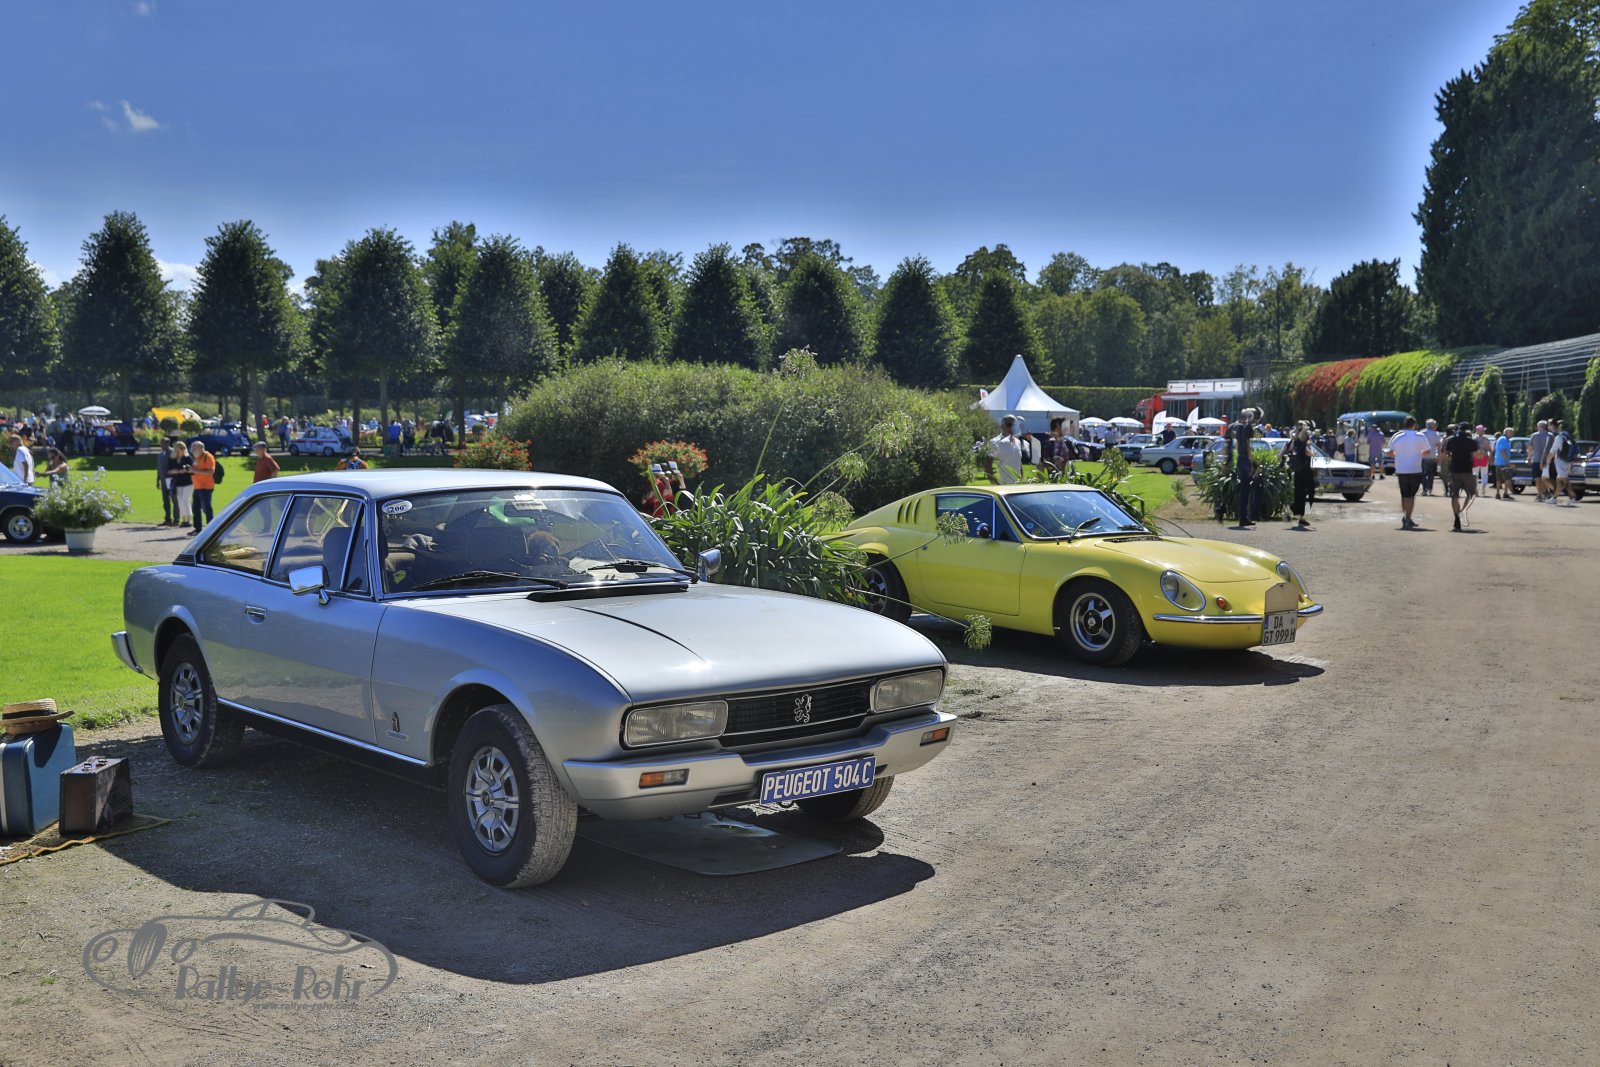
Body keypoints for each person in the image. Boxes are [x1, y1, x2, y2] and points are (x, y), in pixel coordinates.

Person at [1387, 415, 1433, 530]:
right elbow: (1428, 452)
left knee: (1404, 495)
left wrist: (1398, 455)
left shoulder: (1397, 436)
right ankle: (1407, 517)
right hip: (1415, 469)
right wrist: (1418, 453)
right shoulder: (1420, 436)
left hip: (1401, 469)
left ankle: (1406, 517)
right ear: (1415, 425)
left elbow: (1390, 452)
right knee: (1411, 496)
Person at [1223, 407, 1258, 527]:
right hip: (1245, 460)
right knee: (1245, 491)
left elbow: (1237, 445)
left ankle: (1242, 517)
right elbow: (1248, 445)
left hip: (1240, 459)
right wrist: (1251, 462)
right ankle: (1243, 518)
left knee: (1243, 491)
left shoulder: (1238, 428)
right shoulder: (1247, 428)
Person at [1442, 423, 1479, 532]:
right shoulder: (1471, 441)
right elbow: (1477, 455)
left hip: (1455, 471)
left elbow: (1446, 454)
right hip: (1467, 471)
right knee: (1471, 494)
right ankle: (1463, 510)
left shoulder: (1451, 440)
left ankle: (1456, 518)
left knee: (1454, 496)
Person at [1281, 423, 1316, 529]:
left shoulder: (1293, 442)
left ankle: (1299, 515)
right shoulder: (1304, 443)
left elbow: (1281, 454)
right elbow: (1308, 453)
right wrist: (1312, 454)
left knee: (1298, 494)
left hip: (1296, 471)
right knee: (1306, 493)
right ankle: (1297, 513)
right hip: (1305, 472)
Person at [982, 415, 1032, 485]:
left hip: (1018, 485)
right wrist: (995, 484)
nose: (1012, 427)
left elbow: (1018, 462)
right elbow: (987, 465)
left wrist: (1022, 478)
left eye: (1014, 425)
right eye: (1009, 425)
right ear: (1002, 426)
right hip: (1003, 485)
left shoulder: (1018, 442)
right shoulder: (994, 442)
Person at [1546, 419, 1575, 506]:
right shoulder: (1566, 435)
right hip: (1568, 460)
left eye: (1549, 425)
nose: (1548, 427)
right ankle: (1554, 498)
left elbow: (1553, 450)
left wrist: (1548, 459)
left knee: (1564, 479)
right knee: (1559, 479)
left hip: (1561, 460)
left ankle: (1573, 497)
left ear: (1552, 426)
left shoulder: (1559, 437)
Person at [190, 441, 217, 532]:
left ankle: (211, 528)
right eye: (192, 448)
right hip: (197, 487)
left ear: (201, 448)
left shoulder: (208, 457)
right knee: (195, 508)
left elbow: (211, 472)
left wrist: (195, 471)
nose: (192, 450)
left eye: (194, 448)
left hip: (206, 487)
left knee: (206, 508)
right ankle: (198, 529)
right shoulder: (197, 458)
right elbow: (196, 469)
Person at [169, 440, 194, 527]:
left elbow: (192, 469)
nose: (183, 449)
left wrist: (185, 470)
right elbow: (169, 470)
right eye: (181, 448)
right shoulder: (173, 459)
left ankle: (189, 520)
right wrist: (177, 471)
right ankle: (184, 519)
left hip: (188, 482)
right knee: (180, 501)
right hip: (178, 482)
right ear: (176, 449)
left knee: (185, 499)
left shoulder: (188, 458)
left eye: (184, 447)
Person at [1528, 419, 1552, 501]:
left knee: (1538, 478)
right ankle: (1545, 493)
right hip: (1547, 460)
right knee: (1545, 478)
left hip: (1536, 459)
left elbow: (1530, 448)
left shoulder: (1534, 435)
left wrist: (1529, 457)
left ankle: (1539, 494)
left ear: (1538, 427)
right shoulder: (1550, 436)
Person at [1421, 419, 1442, 495]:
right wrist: (1439, 456)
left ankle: (1424, 489)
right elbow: (1438, 446)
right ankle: (1429, 489)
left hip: (1423, 456)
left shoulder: (1422, 433)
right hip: (1433, 456)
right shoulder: (1436, 434)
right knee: (1431, 474)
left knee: (1423, 473)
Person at [1492, 427, 1514, 500]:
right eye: (1511, 432)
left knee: (1498, 479)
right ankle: (1506, 492)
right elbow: (1503, 451)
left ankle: (1498, 493)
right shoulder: (1504, 440)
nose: (1512, 434)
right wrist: (1508, 462)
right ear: (1507, 432)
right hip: (1503, 462)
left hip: (1498, 462)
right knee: (1507, 478)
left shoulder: (1500, 439)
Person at [1472, 425, 1492, 492]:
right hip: (1484, 457)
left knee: (1475, 473)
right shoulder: (1486, 439)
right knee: (1484, 473)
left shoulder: (1474, 439)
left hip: (1475, 457)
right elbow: (1489, 449)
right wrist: (1490, 457)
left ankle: (1475, 488)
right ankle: (1483, 488)